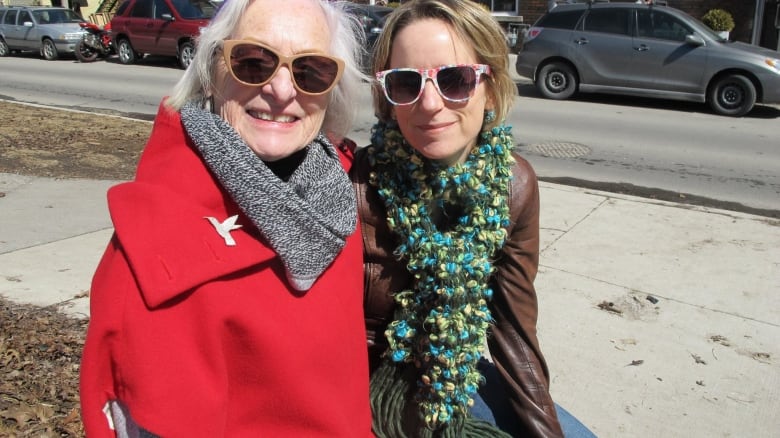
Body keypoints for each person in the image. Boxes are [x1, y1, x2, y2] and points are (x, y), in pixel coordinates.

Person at [79, 0, 374, 436]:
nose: (281, 90)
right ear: (211, 70)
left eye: (311, 70)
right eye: (253, 62)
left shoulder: (336, 195)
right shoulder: (147, 266)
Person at [350, 0, 595, 436]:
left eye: (455, 79)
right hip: (363, 384)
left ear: (491, 87)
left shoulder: (513, 185)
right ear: (386, 96)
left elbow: (513, 330)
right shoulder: (355, 183)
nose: (429, 104)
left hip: (453, 371)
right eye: (406, 83)